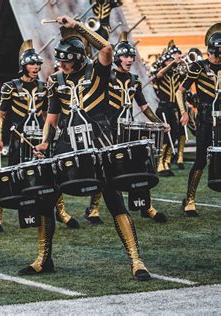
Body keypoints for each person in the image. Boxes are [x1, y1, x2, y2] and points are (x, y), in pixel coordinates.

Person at [34, 16, 151, 281]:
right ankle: (43, 259)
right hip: (66, 144)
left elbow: (107, 49)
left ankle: (136, 259)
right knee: (46, 201)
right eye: (60, 60)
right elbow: (52, 119)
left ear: (77, 58)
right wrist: (44, 141)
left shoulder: (97, 70)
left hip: (100, 141)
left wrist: (77, 27)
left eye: (66, 60)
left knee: (114, 200)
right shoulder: (56, 80)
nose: (62, 64)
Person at [0, 39, 79, 232]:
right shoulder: (10, 86)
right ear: (23, 66)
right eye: (32, 64)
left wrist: (50, 137)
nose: (36, 67)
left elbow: (47, 115)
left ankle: (61, 212)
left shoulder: (45, 86)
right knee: (11, 174)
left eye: (38, 64)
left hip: (39, 139)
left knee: (50, 175)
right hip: (19, 138)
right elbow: (1, 115)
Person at [101, 31, 169, 223]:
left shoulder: (134, 80)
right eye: (125, 56)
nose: (129, 59)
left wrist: (158, 122)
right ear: (116, 58)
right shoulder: (105, 78)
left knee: (140, 167)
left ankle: (146, 207)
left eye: (131, 56)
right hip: (108, 131)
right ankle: (94, 208)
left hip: (128, 130)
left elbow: (145, 108)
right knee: (105, 169)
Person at [178, 23, 221, 217]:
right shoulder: (198, 66)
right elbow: (180, 91)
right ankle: (190, 199)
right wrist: (184, 111)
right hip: (205, 118)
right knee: (200, 160)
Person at [154, 42, 184, 176]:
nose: (171, 62)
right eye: (169, 60)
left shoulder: (176, 74)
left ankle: (166, 162)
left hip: (173, 108)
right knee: (164, 137)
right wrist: (172, 63)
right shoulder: (161, 73)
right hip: (163, 108)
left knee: (174, 134)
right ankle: (160, 163)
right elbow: (159, 75)